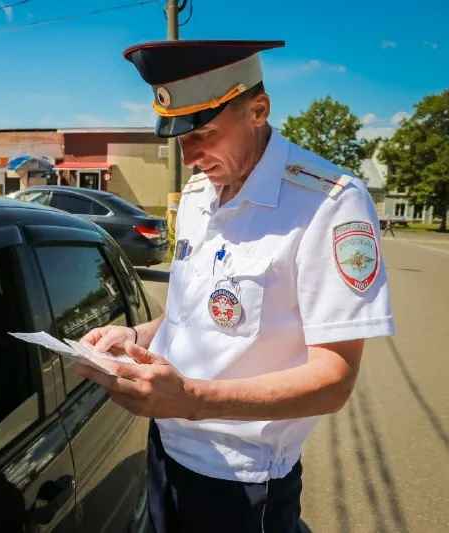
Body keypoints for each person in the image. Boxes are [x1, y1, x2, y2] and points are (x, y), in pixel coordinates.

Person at [75, 41, 394, 533]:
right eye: (179, 139)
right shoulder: (202, 193)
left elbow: (334, 379)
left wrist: (192, 398)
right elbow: (195, 310)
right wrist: (136, 337)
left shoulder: (328, 203)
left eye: (202, 133)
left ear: (258, 110)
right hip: (166, 446)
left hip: (243, 480)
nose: (190, 156)